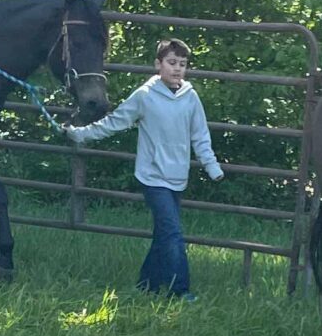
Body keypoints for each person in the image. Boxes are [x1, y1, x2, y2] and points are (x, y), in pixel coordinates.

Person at [68, 37, 223, 298]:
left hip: (177, 176)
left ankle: (146, 285)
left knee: (164, 234)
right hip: (152, 177)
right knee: (173, 233)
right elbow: (115, 122)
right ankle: (179, 290)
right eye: (171, 62)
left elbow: (200, 135)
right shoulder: (144, 96)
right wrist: (80, 134)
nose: (177, 68)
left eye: (182, 64)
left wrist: (211, 165)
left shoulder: (191, 98)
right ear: (158, 64)